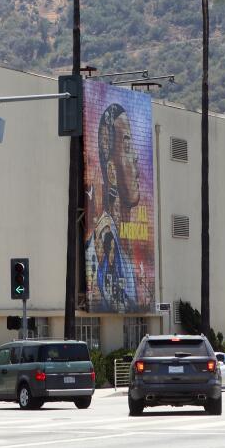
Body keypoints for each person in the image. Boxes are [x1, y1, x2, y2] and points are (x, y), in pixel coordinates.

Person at [85, 102, 141, 312]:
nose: (136, 156)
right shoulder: (104, 241)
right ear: (111, 172)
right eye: (127, 147)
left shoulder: (124, 254)